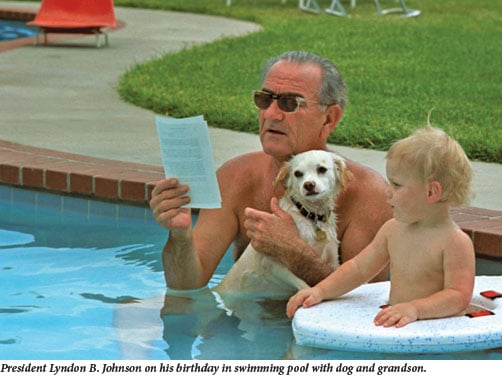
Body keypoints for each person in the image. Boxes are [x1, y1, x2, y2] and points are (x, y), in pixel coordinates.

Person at [149, 51, 392, 291]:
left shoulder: (367, 193)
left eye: (290, 103)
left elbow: (365, 308)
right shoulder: (236, 177)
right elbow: (185, 285)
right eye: (264, 99)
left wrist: (296, 254)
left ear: (329, 119)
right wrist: (180, 237)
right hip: (242, 323)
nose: (271, 114)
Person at [286, 125, 475, 328]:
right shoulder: (392, 230)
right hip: (399, 324)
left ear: (431, 192)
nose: (388, 192)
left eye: (396, 185)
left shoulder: (455, 242)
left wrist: (415, 309)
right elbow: (359, 269)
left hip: (438, 332)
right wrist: (321, 291)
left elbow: (458, 296)